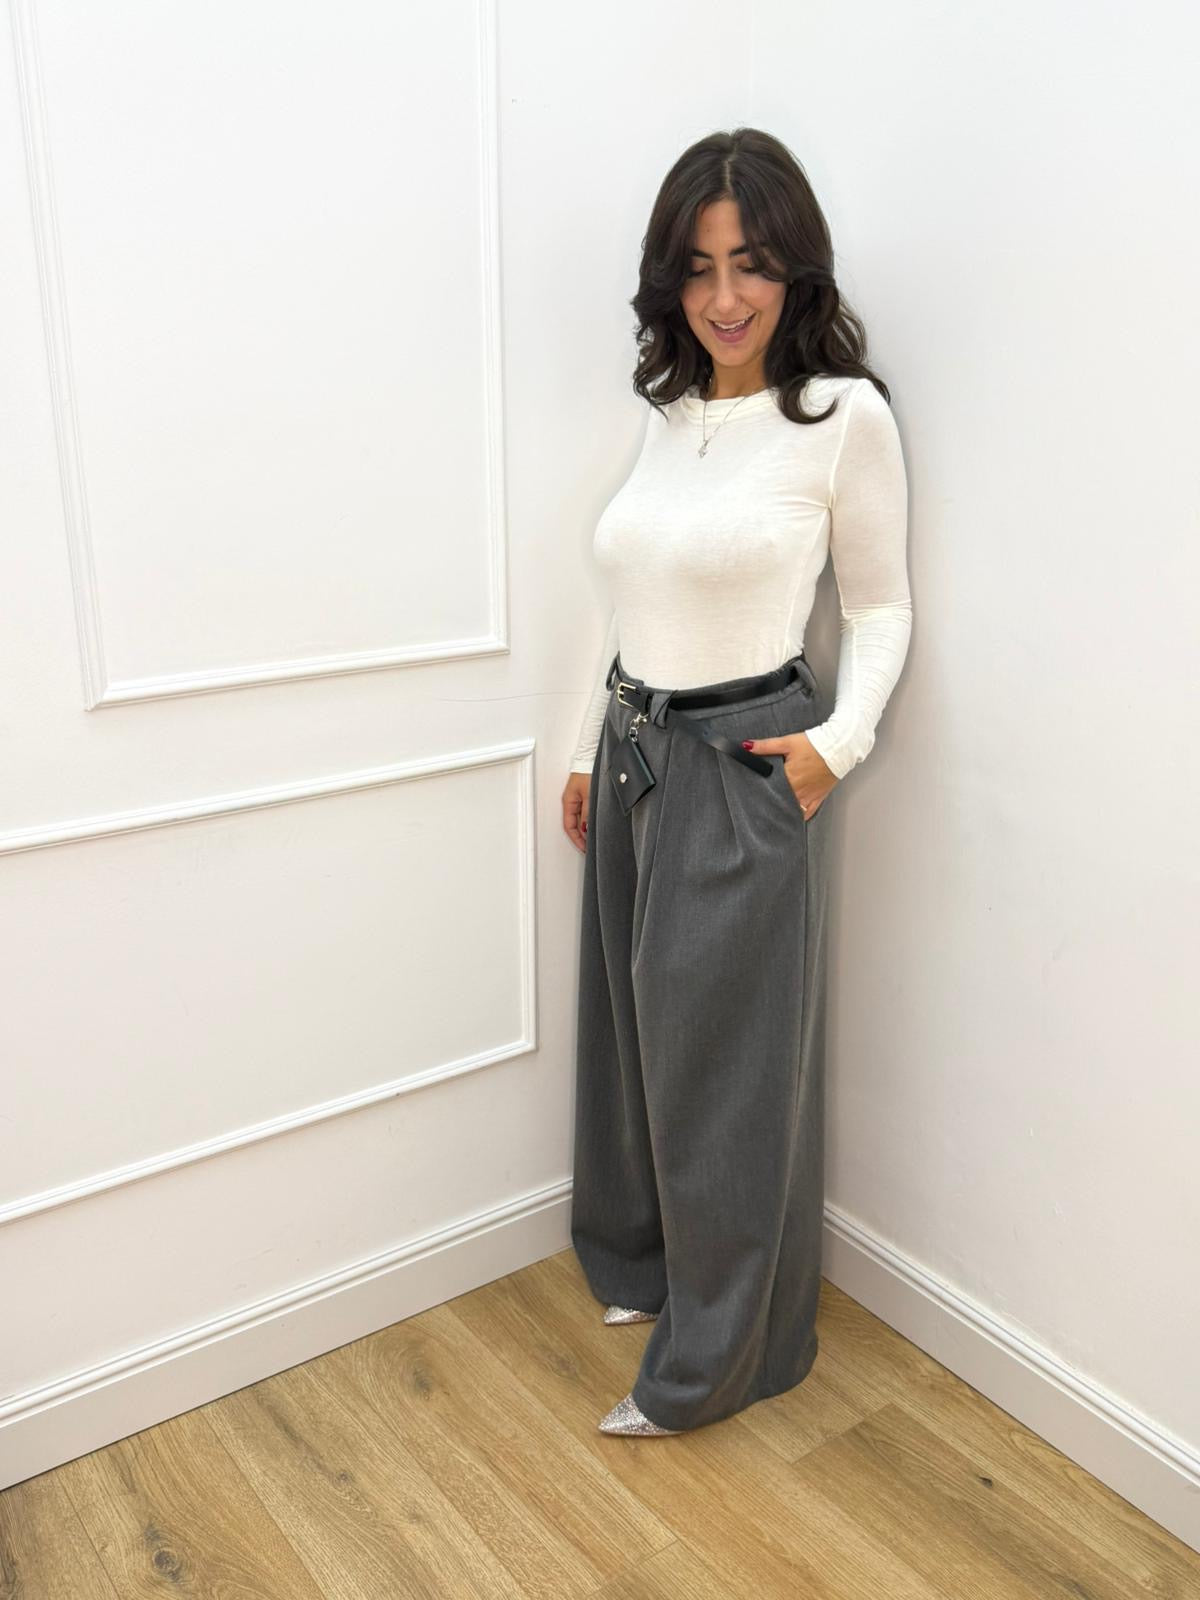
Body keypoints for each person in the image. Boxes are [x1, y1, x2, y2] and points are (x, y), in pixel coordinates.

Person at [561, 127, 913, 1437]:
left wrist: (840, 743)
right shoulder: (667, 414)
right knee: (631, 1038)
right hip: (633, 744)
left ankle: (720, 1358)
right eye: (700, 266)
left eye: (751, 264)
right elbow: (628, 596)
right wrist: (583, 745)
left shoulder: (841, 419)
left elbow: (879, 609)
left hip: (743, 754)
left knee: (726, 1073)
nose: (724, 296)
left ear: (794, 270)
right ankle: (642, 1264)